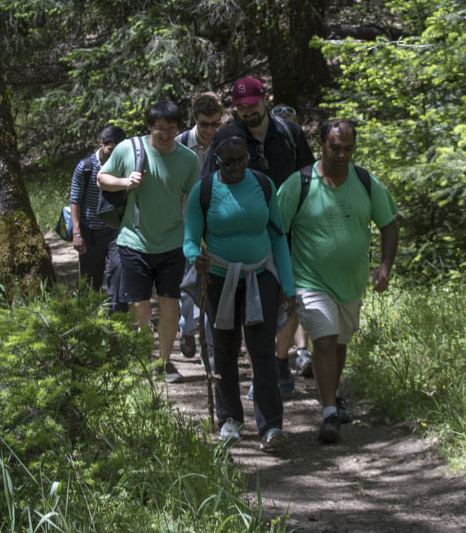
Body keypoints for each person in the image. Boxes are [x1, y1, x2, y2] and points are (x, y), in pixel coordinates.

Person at [278, 119, 399, 443]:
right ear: (321, 145)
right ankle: (329, 411)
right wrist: (280, 279)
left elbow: (388, 223)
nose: (342, 155)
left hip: (352, 282)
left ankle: (332, 395)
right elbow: (276, 229)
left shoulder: (365, 182)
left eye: (348, 148)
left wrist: (385, 266)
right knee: (325, 341)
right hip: (309, 279)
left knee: (340, 343)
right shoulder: (298, 184)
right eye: (335, 147)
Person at [183, 135, 296, 452]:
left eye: (241, 159)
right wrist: (196, 257)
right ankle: (230, 420)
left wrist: (288, 286)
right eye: (228, 161)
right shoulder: (203, 192)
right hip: (219, 279)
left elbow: (277, 237)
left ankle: (271, 427)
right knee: (225, 350)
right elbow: (190, 238)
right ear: (216, 160)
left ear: (249, 158)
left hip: (261, 277)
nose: (235, 166)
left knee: (263, 353)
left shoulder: (263, 185)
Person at [203, 77, 314, 395]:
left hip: (290, 230)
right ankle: (262, 371)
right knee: (256, 305)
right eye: (239, 108)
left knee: (289, 297)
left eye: (251, 106)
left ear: (265, 99)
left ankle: (280, 361)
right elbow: (208, 186)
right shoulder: (227, 137)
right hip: (246, 234)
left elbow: (309, 177)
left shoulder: (289, 134)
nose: (246, 112)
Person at [97, 101, 200, 383]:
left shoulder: (189, 159)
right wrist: (124, 182)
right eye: (159, 130)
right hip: (133, 242)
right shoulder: (128, 149)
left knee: (170, 306)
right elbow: (101, 178)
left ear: (179, 129)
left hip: (172, 244)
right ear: (149, 128)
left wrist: (195, 239)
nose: (165, 135)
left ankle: (164, 363)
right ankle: (143, 360)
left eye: (171, 129)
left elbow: (192, 201)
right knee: (140, 308)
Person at [175, 92, 224, 359]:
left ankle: (209, 342)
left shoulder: (225, 143)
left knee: (213, 282)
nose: (209, 130)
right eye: (205, 124)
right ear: (195, 119)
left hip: (217, 225)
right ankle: (187, 329)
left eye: (215, 124)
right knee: (188, 280)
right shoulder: (180, 144)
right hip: (186, 225)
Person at [69, 125, 126, 310]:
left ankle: (117, 319)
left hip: (115, 231)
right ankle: (89, 319)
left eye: (118, 150)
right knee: (90, 280)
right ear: (102, 144)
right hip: (90, 231)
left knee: (119, 272)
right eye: (111, 149)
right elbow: (75, 200)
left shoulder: (124, 165)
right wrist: (77, 233)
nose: (114, 154)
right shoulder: (85, 167)